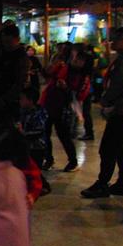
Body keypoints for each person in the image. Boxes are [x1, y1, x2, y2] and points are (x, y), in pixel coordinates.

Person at [81, 27, 123, 199]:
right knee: (122, 147)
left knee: (108, 148)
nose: (114, 40)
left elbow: (119, 83)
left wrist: (106, 100)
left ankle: (102, 184)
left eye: (119, 37)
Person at [40, 42, 80, 172]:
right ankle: (49, 159)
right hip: (50, 103)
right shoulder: (58, 68)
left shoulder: (69, 69)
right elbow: (47, 74)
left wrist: (65, 88)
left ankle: (72, 160)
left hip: (59, 104)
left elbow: (74, 89)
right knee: (46, 132)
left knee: (63, 134)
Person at [0, 22, 30, 120]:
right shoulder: (2, 53)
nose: (6, 45)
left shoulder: (21, 58)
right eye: (4, 41)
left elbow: (20, 83)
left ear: (17, 39)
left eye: (9, 42)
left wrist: (4, 100)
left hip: (11, 103)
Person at [20, 87, 51, 196]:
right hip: (28, 146)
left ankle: (43, 186)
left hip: (37, 147)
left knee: (35, 168)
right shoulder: (24, 112)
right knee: (31, 167)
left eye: (22, 99)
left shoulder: (38, 113)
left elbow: (39, 131)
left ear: (30, 100)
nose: (20, 101)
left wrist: (24, 134)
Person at [79, 44, 98, 140]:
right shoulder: (91, 58)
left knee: (86, 111)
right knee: (85, 110)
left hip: (86, 88)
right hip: (88, 87)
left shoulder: (86, 60)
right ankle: (88, 132)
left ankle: (89, 132)